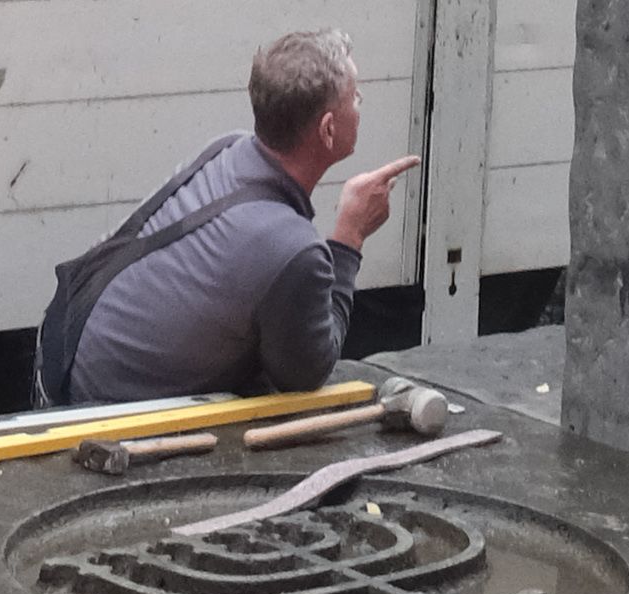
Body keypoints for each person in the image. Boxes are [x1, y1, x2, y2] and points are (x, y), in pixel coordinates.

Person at [39, 23, 416, 402]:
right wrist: (349, 237)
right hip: (99, 415)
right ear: (328, 130)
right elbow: (306, 373)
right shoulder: (293, 250)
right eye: (355, 97)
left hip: (61, 359)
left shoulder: (226, 148)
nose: (361, 102)